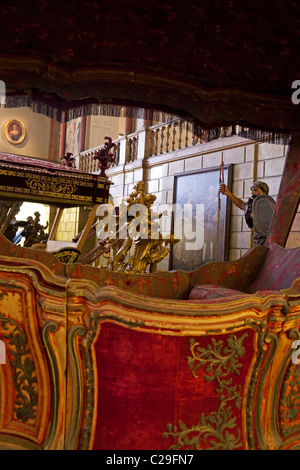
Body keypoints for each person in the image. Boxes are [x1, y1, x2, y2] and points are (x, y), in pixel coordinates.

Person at [219, 180, 270, 246]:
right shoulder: (254, 205)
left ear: (264, 192)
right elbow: (242, 205)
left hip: (268, 241)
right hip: (258, 240)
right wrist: (228, 193)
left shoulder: (269, 205)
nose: (252, 192)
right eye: (252, 190)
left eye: (256, 190)